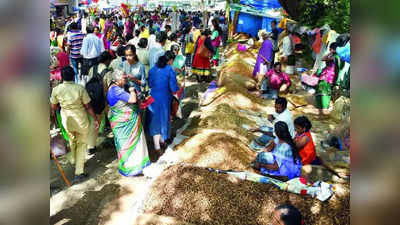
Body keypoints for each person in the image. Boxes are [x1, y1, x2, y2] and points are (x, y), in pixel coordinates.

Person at [50, 66, 99, 184]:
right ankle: (79, 172)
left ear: (62, 77)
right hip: (81, 120)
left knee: (72, 141)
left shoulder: (56, 89)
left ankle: (75, 160)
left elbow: (53, 107)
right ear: (73, 76)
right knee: (82, 144)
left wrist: (52, 119)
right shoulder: (80, 88)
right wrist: (95, 119)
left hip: (67, 120)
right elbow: (88, 106)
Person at [106, 70, 151, 176]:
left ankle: (128, 167)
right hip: (127, 123)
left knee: (123, 145)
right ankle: (135, 168)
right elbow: (132, 99)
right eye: (124, 78)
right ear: (117, 79)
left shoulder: (112, 88)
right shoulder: (116, 90)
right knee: (132, 144)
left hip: (120, 123)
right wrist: (131, 90)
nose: (125, 80)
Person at [147, 51, 179, 153]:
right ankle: (161, 142)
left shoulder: (152, 70)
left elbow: (151, 84)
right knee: (163, 119)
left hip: (153, 98)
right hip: (164, 98)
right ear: (167, 62)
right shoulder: (170, 70)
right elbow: (173, 88)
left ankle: (158, 143)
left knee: (155, 120)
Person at [86, 51, 113, 154]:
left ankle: (91, 146)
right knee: (112, 118)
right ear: (107, 60)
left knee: (94, 122)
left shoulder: (92, 69)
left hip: (93, 98)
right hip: (104, 100)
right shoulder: (107, 72)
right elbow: (109, 88)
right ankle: (117, 138)